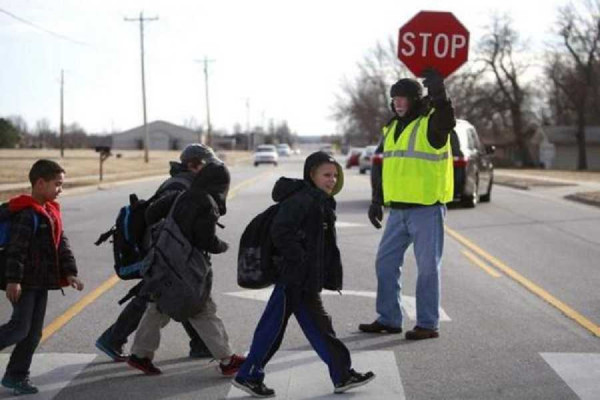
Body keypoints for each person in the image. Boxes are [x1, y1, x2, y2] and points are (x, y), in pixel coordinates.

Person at [233, 152, 375, 398]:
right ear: (311, 175)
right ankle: (248, 375)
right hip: (293, 278)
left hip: (303, 279)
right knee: (273, 328)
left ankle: (342, 374)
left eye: (335, 175)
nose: (331, 180)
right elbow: (281, 231)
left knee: (319, 327)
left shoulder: (319, 200)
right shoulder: (303, 200)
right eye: (326, 175)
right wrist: (299, 258)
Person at [95, 144, 217, 361]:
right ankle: (114, 339)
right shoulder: (179, 186)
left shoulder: (183, 182)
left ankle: (200, 344)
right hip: (166, 251)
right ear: (193, 165)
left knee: (176, 294)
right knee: (166, 295)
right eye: (207, 166)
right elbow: (165, 223)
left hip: (169, 251)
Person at [359, 68, 455, 340]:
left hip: (427, 208)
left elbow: (447, 120)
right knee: (385, 263)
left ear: (415, 100)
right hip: (397, 211)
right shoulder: (390, 128)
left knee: (427, 268)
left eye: (403, 98)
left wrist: (439, 92)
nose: (398, 103)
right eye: (395, 98)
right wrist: (377, 200)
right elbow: (381, 165)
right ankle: (389, 318)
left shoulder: (431, 124)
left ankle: (427, 323)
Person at [126, 161, 246, 376]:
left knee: (159, 306)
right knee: (202, 309)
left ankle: (140, 355)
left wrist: (169, 235)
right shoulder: (207, 203)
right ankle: (228, 360)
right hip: (186, 269)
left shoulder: (181, 195)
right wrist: (222, 246)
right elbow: (205, 239)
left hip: (163, 260)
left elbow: (151, 213)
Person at [0, 159, 84, 395]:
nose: (60, 189)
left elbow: (61, 245)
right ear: (39, 183)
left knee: (33, 333)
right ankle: (16, 374)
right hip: (24, 282)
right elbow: (16, 250)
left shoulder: (49, 211)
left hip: (40, 283)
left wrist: (70, 273)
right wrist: (13, 280)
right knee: (19, 329)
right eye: (57, 184)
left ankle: (16, 376)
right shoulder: (26, 213)